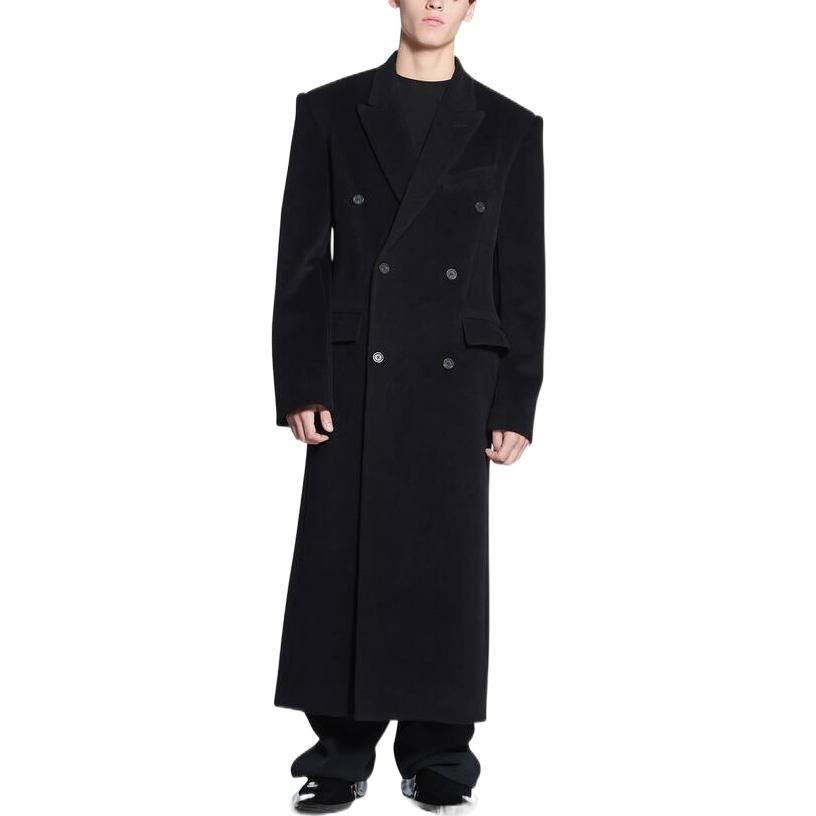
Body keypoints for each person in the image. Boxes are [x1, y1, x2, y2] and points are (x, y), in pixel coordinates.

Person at [271, 0, 545, 810]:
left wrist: (517, 395)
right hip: (354, 374)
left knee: (442, 565)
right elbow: (300, 261)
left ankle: (439, 755)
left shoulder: (510, 127)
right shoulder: (328, 112)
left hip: (457, 379)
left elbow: (522, 274)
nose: (434, 1)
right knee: (341, 559)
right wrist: (301, 381)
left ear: (472, 6)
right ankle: (340, 751)